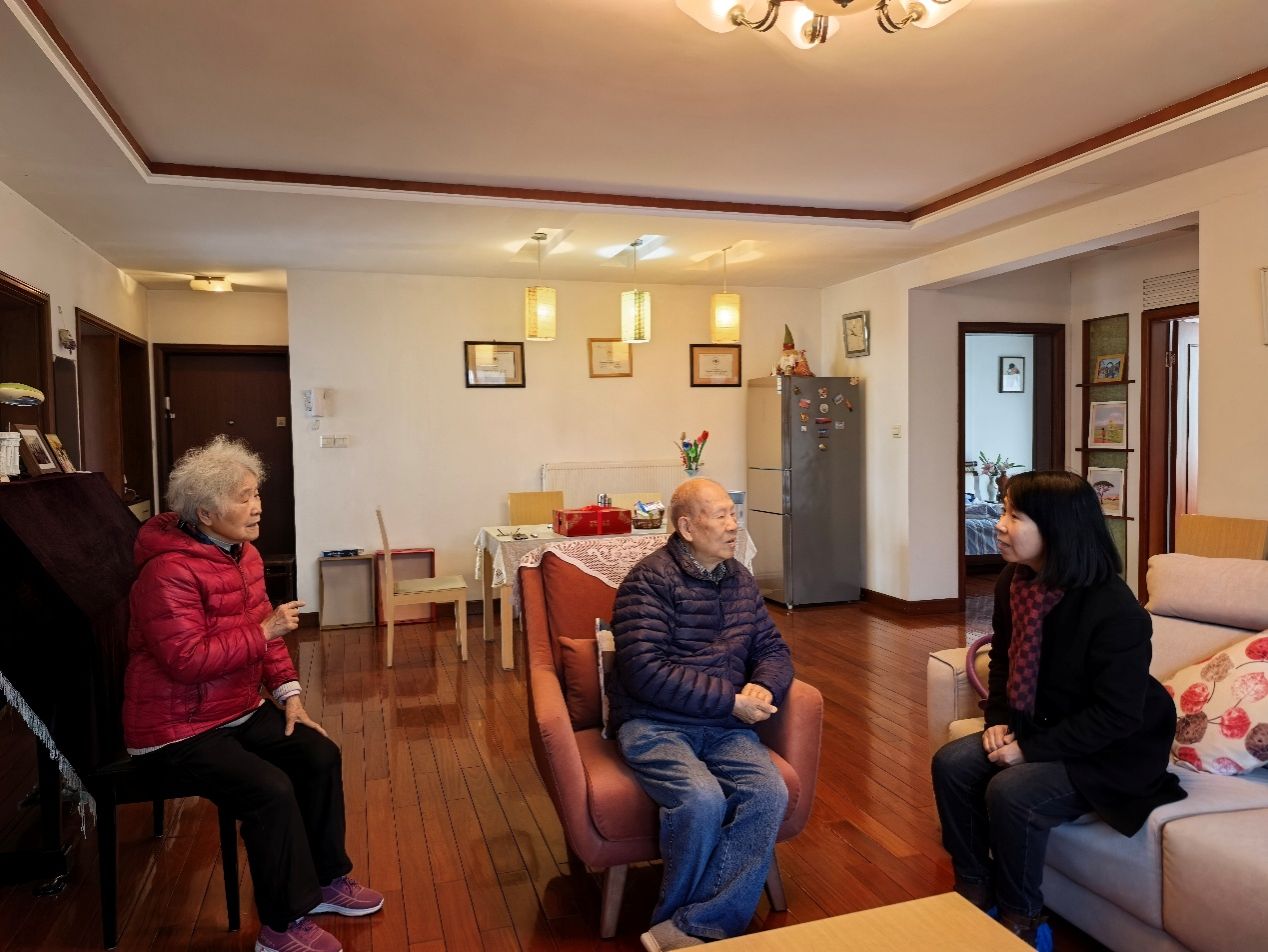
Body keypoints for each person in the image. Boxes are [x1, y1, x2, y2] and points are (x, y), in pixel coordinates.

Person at [123, 436, 382, 952]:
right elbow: (185, 661)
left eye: (256, 493)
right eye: (243, 497)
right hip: (177, 728)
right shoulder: (167, 571)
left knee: (318, 754)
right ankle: (279, 928)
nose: (258, 505)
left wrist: (290, 696)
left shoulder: (245, 555)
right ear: (205, 513)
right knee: (270, 790)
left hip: (235, 709)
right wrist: (263, 631)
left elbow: (269, 638)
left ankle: (326, 881)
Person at [931, 471, 1184, 948]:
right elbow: (1003, 658)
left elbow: (1118, 716)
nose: (1000, 524)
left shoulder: (1114, 610)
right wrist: (999, 720)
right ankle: (973, 885)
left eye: (1014, 515)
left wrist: (1029, 750)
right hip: (1045, 724)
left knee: (1012, 790)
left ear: (1057, 528)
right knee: (952, 763)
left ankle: (1021, 917)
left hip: (1113, 750)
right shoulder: (1014, 582)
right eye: (1003, 510)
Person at [607, 478, 793, 951]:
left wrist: (764, 684)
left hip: (723, 727)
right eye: (721, 516)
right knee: (702, 798)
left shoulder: (740, 579)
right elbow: (644, 671)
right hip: (654, 722)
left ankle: (696, 926)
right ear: (687, 527)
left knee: (768, 791)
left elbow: (772, 649)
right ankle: (686, 926)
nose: (734, 526)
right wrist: (730, 700)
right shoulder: (648, 580)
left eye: (734, 513)